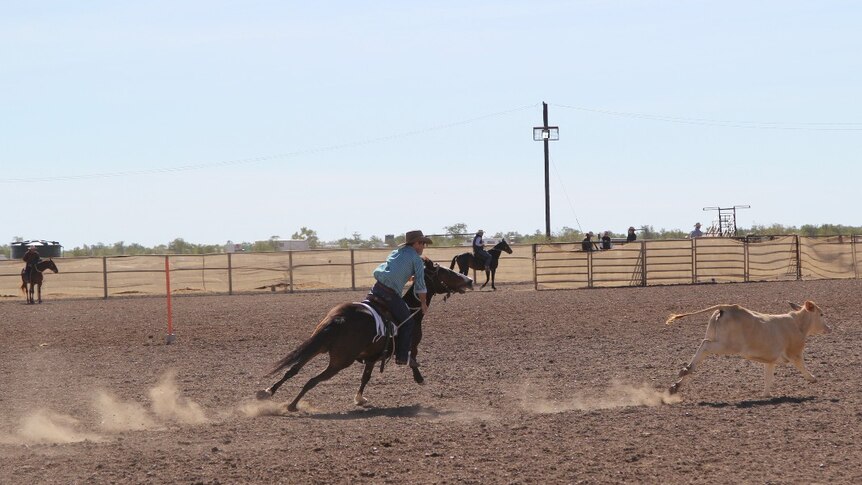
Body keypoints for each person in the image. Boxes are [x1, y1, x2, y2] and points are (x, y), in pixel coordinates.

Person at [368, 230, 432, 367]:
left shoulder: (396, 252)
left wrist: (408, 277)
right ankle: (402, 356)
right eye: (421, 243)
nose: (423, 246)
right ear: (415, 243)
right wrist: (423, 303)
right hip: (390, 295)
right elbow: (420, 286)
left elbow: (392, 271)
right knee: (408, 322)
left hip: (375, 290)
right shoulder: (417, 260)